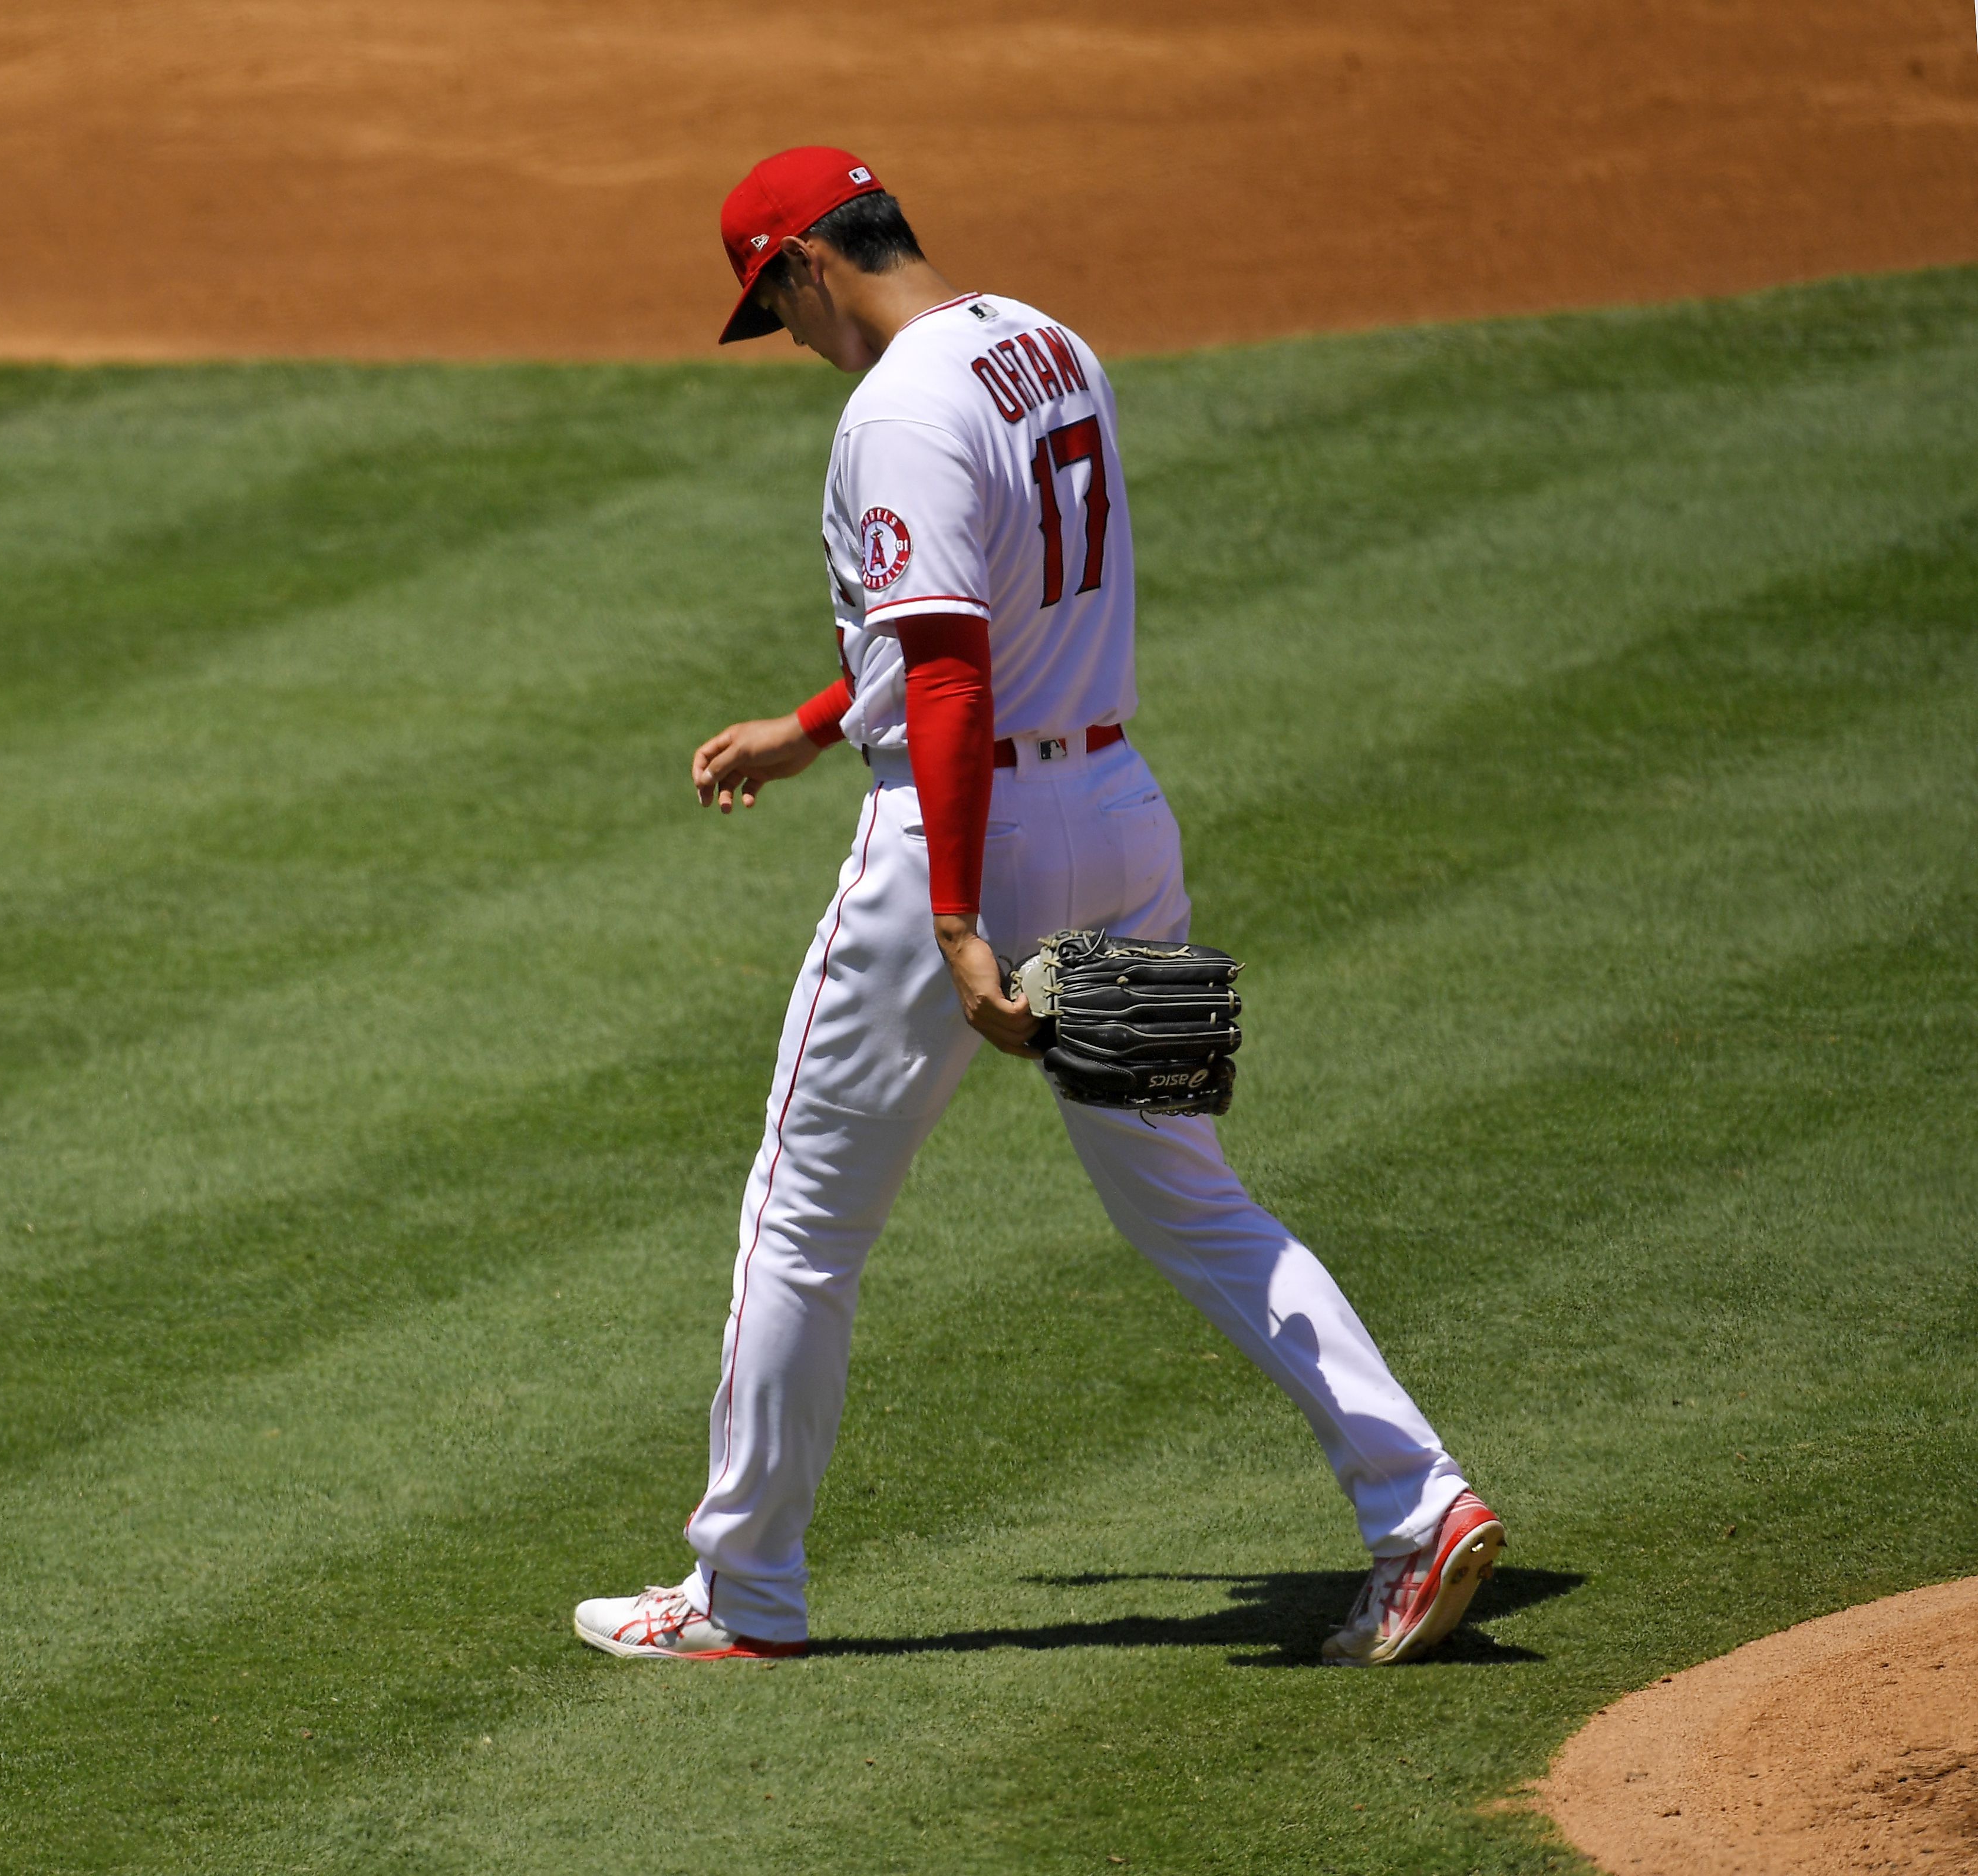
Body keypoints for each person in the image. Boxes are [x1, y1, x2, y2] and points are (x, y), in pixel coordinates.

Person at [572, 148, 1502, 1667]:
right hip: (1120, 815)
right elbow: (970, 615)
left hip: (973, 838)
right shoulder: (1043, 343)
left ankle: (744, 1595)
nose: (787, 342)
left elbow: (946, 663)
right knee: (1192, 1194)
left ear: (810, 261)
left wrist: (953, 922)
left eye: (774, 307)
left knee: (803, 1217)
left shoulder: (895, 410)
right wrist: (810, 731)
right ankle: (1423, 1507)